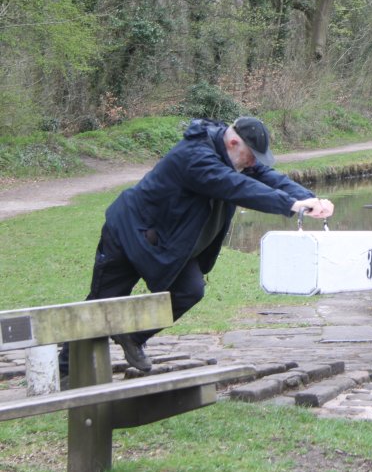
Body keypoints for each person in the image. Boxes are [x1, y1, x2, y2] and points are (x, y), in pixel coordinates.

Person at [60, 116, 334, 374]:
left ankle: (132, 336)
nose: (253, 163)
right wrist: (291, 205)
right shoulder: (195, 157)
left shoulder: (233, 157)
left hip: (169, 241)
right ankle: (65, 371)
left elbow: (267, 177)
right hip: (128, 231)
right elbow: (237, 187)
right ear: (234, 143)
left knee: (190, 290)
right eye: (251, 156)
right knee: (101, 304)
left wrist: (309, 199)